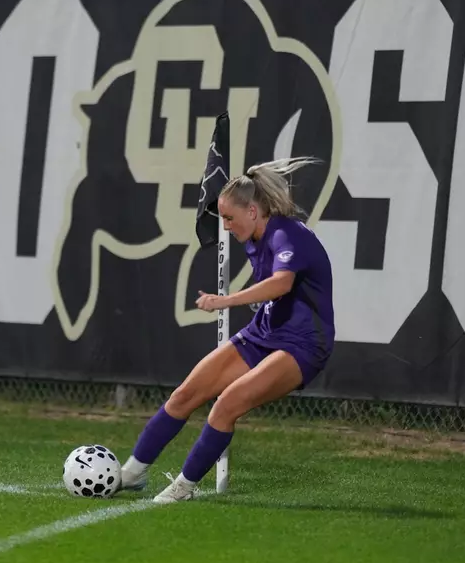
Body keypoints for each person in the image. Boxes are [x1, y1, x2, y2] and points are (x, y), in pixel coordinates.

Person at [120, 157, 335, 503]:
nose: (226, 226)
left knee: (227, 404)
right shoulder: (254, 237)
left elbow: (281, 285)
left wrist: (227, 300)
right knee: (186, 394)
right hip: (263, 334)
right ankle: (131, 473)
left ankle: (184, 488)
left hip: (303, 345)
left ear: (253, 211)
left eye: (229, 218)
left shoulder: (285, 233)